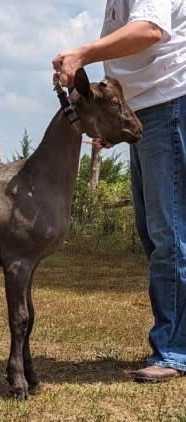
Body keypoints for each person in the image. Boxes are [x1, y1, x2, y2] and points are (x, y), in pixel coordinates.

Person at [52, 0, 186, 382]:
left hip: (169, 104)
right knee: (155, 234)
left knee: (169, 235)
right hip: (148, 111)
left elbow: (150, 31)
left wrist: (83, 51)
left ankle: (174, 352)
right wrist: (113, 122)